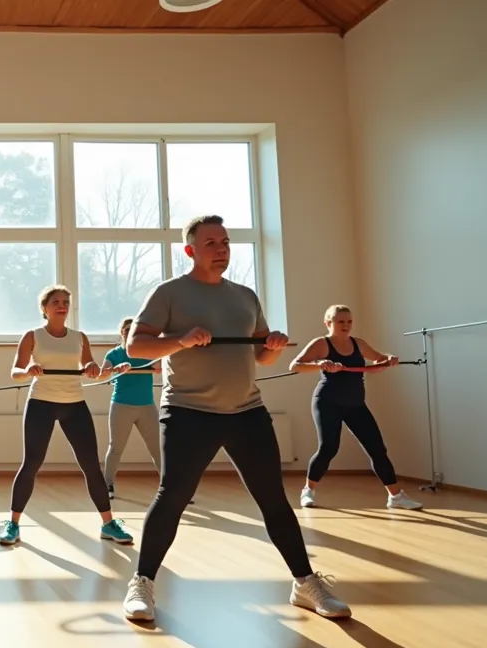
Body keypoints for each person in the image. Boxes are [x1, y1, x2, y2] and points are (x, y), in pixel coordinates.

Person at [121, 215, 350, 622]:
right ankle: (142, 582)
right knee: (171, 498)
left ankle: (304, 582)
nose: (222, 248)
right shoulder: (169, 293)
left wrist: (274, 346)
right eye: (211, 242)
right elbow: (137, 347)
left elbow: (259, 355)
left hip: (247, 412)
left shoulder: (245, 296)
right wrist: (181, 340)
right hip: (188, 413)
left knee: (274, 501)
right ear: (190, 250)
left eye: (225, 241)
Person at [0, 286, 133, 546]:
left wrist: (110, 370)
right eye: (56, 302)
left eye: (65, 302)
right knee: (32, 463)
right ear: (45, 308)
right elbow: (15, 372)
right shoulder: (32, 336)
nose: (62, 305)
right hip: (41, 404)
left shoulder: (79, 337)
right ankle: (13, 524)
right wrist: (28, 370)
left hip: (74, 405)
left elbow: (91, 370)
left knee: (91, 466)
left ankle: (108, 524)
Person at [290, 305, 421, 510]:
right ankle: (308, 490)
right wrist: (321, 364)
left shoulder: (357, 343)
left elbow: (378, 361)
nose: (346, 325)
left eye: (349, 321)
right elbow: (295, 366)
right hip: (327, 402)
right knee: (329, 448)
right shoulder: (321, 344)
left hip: (356, 404)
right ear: (328, 323)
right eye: (340, 321)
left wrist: (389, 360)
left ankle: (395, 497)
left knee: (377, 448)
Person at [100, 317, 164, 501]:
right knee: (116, 448)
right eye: (127, 329)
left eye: (133, 329)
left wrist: (159, 366)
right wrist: (116, 369)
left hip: (146, 406)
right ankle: (107, 484)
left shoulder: (147, 352)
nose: (130, 332)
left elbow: (162, 365)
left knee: (157, 448)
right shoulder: (114, 354)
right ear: (122, 333)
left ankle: (170, 487)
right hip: (121, 406)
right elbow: (103, 373)